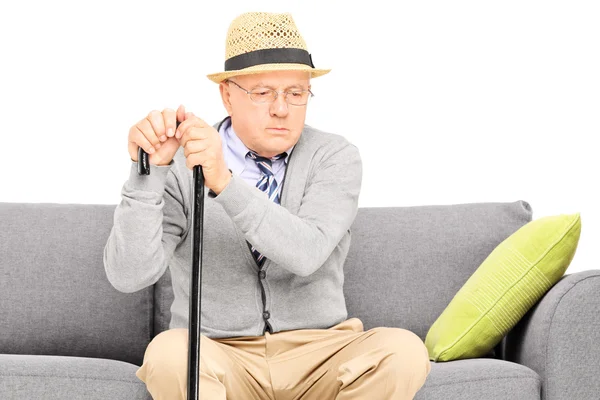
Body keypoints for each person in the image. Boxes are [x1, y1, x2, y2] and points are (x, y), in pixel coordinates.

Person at [103, 11, 431, 400]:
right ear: (227, 94)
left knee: (403, 351)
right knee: (170, 354)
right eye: (262, 93)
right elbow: (128, 276)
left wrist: (224, 182)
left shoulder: (335, 157)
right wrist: (148, 173)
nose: (281, 109)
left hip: (320, 354)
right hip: (220, 354)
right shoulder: (180, 166)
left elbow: (306, 252)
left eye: (296, 93)